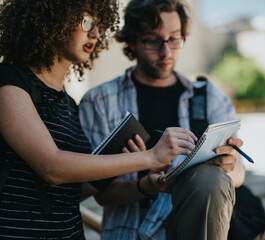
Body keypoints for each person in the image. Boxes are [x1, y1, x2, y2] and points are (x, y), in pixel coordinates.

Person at [0, 0, 197, 239]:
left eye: (100, 25)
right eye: (86, 22)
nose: (95, 33)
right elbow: (51, 167)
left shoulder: (68, 103)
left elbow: (73, 190)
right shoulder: (9, 82)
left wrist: (139, 175)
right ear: (51, 20)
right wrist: (148, 156)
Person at [78, 0, 246, 239]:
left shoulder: (210, 97)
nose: (166, 52)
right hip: (131, 230)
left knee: (210, 178)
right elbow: (100, 193)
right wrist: (146, 182)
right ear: (133, 41)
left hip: (199, 226)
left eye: (175, 39)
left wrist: (227, 166)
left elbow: (239, 174)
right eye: (153, 40)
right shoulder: (100, 101)